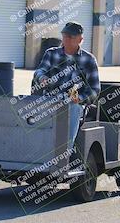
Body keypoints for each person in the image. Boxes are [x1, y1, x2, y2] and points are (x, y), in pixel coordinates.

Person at [33, 21, 100, 151]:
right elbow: (39, 71)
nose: (66, 40)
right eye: (64, 36)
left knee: (72, 109)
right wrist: (42, 77)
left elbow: (95, 90)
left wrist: (80, 98)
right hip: (50, 100)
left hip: (74, 103)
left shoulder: (89, 59)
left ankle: (64, 153)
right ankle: (38, 152)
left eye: (71, 37)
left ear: (80, 39)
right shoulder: (51, 53)